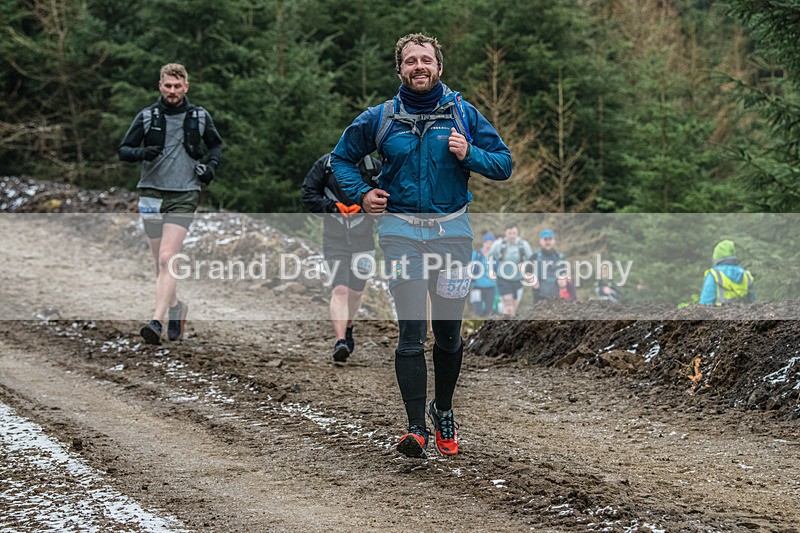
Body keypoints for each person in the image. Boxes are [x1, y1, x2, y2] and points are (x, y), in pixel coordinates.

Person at [330, 33, 512, 457]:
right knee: (410, 331)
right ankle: (415, 429)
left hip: (453, 235)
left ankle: (442, 409)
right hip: (401, 234)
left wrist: (470, 154)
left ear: (438, 67)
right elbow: (340, 159)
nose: (418, 67)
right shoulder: (380, 118)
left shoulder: (463, 114)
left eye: (425, 60)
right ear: (400, 69)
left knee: (448, 335)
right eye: (410, 60)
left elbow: (503, 163)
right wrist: (362, 194)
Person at [119, 63, 222, 345]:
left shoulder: (199, 116)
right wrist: (143, 152)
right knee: (160, 264)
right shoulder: (147, 116)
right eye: (168, 86)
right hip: (151, 194)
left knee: (167, 258)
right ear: (160, 86)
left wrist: (210, 167)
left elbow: (215, 145)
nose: (173, 91)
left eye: (177, 86)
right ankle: (176, 307)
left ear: (186, 86)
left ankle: (156, 321)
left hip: (184, 194)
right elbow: (124, 150)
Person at [301, 153, 381, 363]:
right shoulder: (326, 165)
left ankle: (348, 325)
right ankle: (340, 341)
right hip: (334, 239)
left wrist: (364, 207)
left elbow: (386, 197)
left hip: (364, 240)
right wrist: (333, 208)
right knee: (340, 289)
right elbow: (308, 195)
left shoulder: (373, 167)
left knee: (356, 292)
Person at [489, 223, 533, 316]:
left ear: (517, 233)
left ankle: (508, 322)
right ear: (505, 233)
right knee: (508, 304)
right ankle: (505, 319)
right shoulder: (498, 244)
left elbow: (532, 260)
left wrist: (525, 265)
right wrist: (491, 270)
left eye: (514, 233)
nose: (512, 236)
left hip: (518, 279)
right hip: (503, 278)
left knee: (514, 308)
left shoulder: (523, 245)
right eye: (509, 233)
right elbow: (489, 257)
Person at [698, 239, 755, 306]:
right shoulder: (747, 275)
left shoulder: (714, 274)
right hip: (744, 312)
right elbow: (753, 304)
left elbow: (705, 303)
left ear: (716, 257)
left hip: (719, 312)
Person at [531, 228, 566, 304]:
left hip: (555, 295)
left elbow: (563, 273)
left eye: (550, 239)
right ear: (540, 241)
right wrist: (533, 280)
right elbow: (527, 272)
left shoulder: (559, 257)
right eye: (545, 239)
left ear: (554, 241)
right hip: (539, 295)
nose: (548, 242)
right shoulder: (535, 256)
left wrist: (562, 280)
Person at [469, 232, 498, 317]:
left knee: (489, 312)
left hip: (490, 286)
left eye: (491, 244)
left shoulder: (495, 256)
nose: (489, 246)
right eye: (487, 243)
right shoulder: (476, 254)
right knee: (478, 312)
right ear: (484, 243)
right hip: (476, 286)